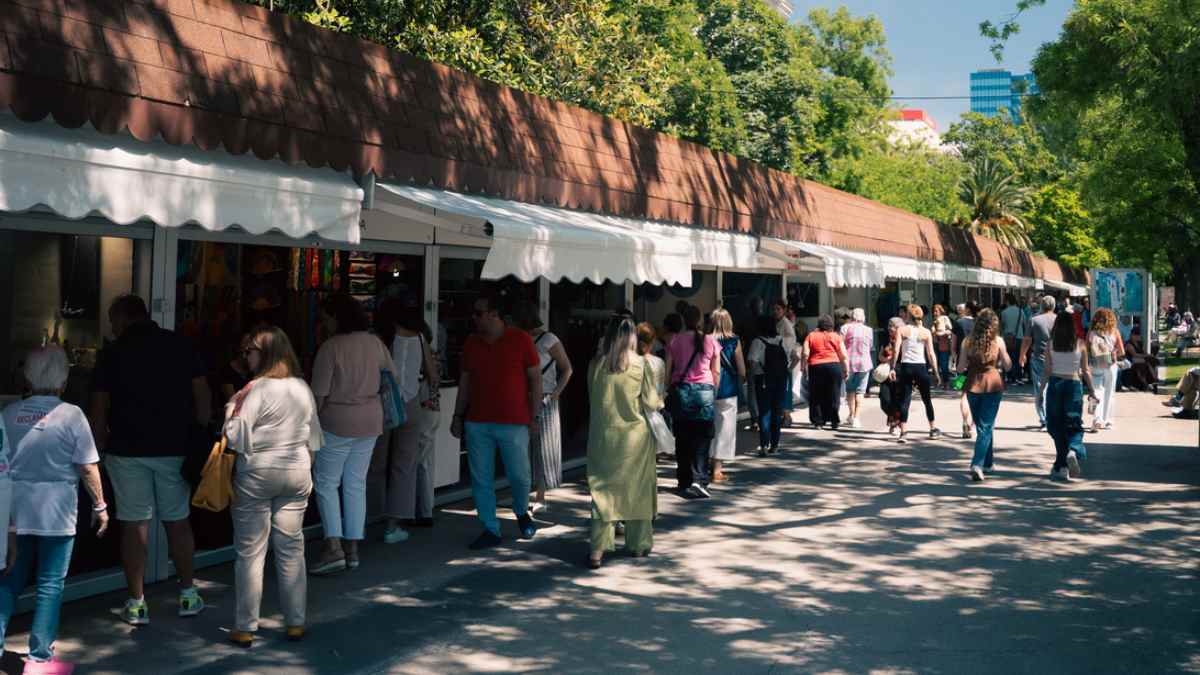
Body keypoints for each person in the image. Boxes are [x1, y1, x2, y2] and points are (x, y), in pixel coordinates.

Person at [88, 294, 208, 625]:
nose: (111, 327)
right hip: (175, 447)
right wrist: (200, 431)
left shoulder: (112, 353)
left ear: (124, 319)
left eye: (113, 320)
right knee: (178, 521)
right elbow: (201, 392)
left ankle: (137, 603)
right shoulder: (180, 344)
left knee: (134, 524)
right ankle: (188, 594)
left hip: (126, 450)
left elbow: (99, 405)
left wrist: (96, 448)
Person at [0, 346, 107, 671]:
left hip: (13, 516)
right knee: (49, 584)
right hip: (57, 516)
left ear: (28, 377)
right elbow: (88, 466)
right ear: (63, 380)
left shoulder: (9, 414)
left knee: (7, 583)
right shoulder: (72, 415)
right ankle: (39, 659)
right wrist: (100, 505)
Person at [221, 326, 320, 648]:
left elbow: (235, 436)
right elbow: (315, 437)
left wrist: (230, 406)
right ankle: (295, 621)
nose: (244, 357)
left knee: (251, 552)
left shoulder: (255, 389)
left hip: (258, 472)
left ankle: (246, 626)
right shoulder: (302, 386)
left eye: (248, 351)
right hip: (297, 470)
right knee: (292, 548)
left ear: (262, 354)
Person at [310, 294, 396, 574]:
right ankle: (353, 549)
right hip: (370, 420)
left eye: (326, 317)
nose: (323, 322)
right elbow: (390, 377)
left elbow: (319, 394)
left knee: (326, 483)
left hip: (337, 420)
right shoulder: (375, 342)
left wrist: (308, 426)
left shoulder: (330, 347)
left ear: (336, 318)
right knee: (355, 483)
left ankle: (333, 546)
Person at [450, 293, 540, 549]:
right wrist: (457, 415)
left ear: (494, 314)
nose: (474, 318)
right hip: (478, 421)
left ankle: (522, 511)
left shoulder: (520, 339)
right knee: (481, 478)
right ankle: (490, 527)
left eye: (479, 313)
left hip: (514, 421)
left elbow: (535, 379)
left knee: (520, 476)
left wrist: (533, 416)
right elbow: (466, 380)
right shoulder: (471, 343)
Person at [586, 316, 663, 569]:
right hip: (635, 439)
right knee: (638, 491)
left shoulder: (596, 365)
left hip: (603, 437)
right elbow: (652, 402)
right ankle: (638, 544)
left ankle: (597, 550)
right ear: (633, 337)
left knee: (602, 494)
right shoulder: (642, 365)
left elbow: (593, 399)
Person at [369, 299, 441, 546]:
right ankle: (393, 526)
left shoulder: (380, 338)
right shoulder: (420, 338)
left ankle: (370, 516)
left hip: (382, 404)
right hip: (410, 405)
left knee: (375, 464)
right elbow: (432, 375)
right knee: (404, 466)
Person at [513, 301, 573, 512]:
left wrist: (556, 393)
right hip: (521, 398)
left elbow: (567, 369)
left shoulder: (549, 339)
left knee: (543, 449)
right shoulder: (517, 339)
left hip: (545, 398)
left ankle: (540, 496)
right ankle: (525, 493)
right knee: (520, 447)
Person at [665, 305, 720, 498]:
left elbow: (668, 368)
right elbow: (716, 370)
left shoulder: (675, 340)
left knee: (682, 437)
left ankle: (684, 479)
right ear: (699, 321)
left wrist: (667, 388)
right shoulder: (710, 340)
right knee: (702, 438)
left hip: (681, 391)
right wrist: (714, 390)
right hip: (704, 390)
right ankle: (700, 479)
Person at [956, 309, 1012, 482]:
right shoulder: (999, 341)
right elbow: (1009, 366)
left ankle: (988, 462)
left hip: (973, 384)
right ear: (994, 324)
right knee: (985, 427)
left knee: (983, 425)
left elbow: (959, 368)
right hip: (993, 384)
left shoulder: (967, 341)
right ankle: (977, 464)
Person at [1045, 311, 1099, 482]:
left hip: (1055, 384)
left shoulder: (1050, 344)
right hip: (1074, 385)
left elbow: (1047, 370)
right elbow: (1085, 371)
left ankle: (1061, 465)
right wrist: (1091, 390)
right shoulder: (1081, 344)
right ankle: (1073, 450)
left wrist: (1039, 392)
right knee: (1074, 422)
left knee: (1055, 424)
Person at [890, 304, 942, 442]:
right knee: (927, 399)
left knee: (905, 399)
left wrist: (893, 367)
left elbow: (896, 350)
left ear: (908, 316)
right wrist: (936, 372)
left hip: (906, 366)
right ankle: (932, 428)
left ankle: (904, 432)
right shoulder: (926, 332)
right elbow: (931, 354)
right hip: (921, 367)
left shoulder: (902, 330)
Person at [709, 309, 745, 483]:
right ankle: (717, 469)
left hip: (708, 387)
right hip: (728, 388)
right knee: (725, 428)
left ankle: (705, 461)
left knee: (709, 426)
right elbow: (742, 369)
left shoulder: (706, 339)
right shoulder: (735, 341)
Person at [748, 315, 790, 456]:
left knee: (764, 412)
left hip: (764, 380)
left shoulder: (757, 342)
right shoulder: (780, 341)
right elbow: (789, 360)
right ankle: (775, 445)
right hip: (780, 380)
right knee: (776, 412)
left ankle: (764, 445)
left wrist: (752, 376)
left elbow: (753, 363)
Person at [802, 315, 849, 430]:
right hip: (834, 366)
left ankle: (818, 421)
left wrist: (803, 368)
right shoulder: (836, 336)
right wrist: (846, 369)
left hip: (816, 367)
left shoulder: (811, 336)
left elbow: (805, 353)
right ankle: (834, 421)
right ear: (831, 325)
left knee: (816, 394)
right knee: (834, 394)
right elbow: (843, 355)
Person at [1019, 295, 1058, 430]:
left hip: (1039, 357)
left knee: (1040, 388)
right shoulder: (1059, 320)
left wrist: (1022, 355)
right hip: (1058, 358)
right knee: (1055, 388)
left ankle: (1044, 418)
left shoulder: (1034, 320)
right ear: (1053, 306)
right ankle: (1054, 417)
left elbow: (1027, 340)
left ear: (1042, 305)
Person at [1087, 308, 1123, 432]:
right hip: (1111, 365)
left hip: (1096, 364)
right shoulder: (1115, 332)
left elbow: (1086, 350)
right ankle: (1108, 421)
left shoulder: (1092, 332)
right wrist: (1114, 353)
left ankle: (1097, 419)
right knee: (1109, 392)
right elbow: (1122, 351)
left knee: (1096, 391)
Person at [840, 308, 874, 428]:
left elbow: (841, 345)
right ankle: (856, 418)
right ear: (863, 317)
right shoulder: (869, 330)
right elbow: (870, 347)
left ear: (852, 317)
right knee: (860, 392)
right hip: (865, 364)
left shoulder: (845, 328)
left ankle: (851, 414)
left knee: (850, 390)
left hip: (848, 363)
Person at [953, 302, 977, 439]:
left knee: (964, 395)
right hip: (977, 364)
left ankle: (964, 422)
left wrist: (954, 357)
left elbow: (953, 346)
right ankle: (973, 426)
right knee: (976, 395)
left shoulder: (958, 323)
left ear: (966, 310)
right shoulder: (979, 323)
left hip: (961, 364)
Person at [773, 300, 798, 426]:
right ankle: (784, 416)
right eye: (774, 309)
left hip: (785, 361)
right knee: (782, 391)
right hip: (780, 361)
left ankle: (787, 416)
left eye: (778, 309)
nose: (776, 311)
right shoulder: (777, 323)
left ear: (783, 310)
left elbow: (790, 342)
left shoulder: (786, 324)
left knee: (785, 391)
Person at [878, 318, 905, 434]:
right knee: (885, 400)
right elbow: (880, 356)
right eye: (889, 325)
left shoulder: (904, 341)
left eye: (892, 326)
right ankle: (895, 419)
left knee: (897, 400)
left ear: (899, 328)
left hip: (900, 373)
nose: (890, 328)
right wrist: (887, 360)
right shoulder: (885, 340)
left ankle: (894, 423)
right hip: (886, 374)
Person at [1119, 326, 1159, 393]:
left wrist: (1148, 355)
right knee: (1145, 364)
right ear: (1132, 335)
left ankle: (1152, 381)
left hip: (1138, 360)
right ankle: (1152, 381)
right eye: (1135, 335)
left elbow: (1143, 352)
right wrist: (1146, 356)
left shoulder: (1139, 343)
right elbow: (1135, 354)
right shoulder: (1128, 344)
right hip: (1131, 361)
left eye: (1138, 335)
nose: (1137, 336)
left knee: (1152, 360)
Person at [1000, 294, 1024, 385]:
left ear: (1007, 301)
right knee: (1018, 357)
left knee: (1008, 357)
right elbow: (1024, 324)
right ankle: (1018, 377)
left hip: (1007, 338)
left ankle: (1010, 377)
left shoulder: (1004, 312)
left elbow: (1002, 325)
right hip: (1019, 337)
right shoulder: (1021, 311)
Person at [932, 305, 954, 391]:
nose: (934, 313)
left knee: (944, 364)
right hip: (935, 344)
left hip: (943, 344)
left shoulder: (945, 318)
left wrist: (941, 333)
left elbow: (950, 330)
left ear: (941, 311)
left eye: (936, 311)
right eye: (934, 311)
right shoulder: (935, 320)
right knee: (936, 364)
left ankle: (946, 382)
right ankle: (938, 381)